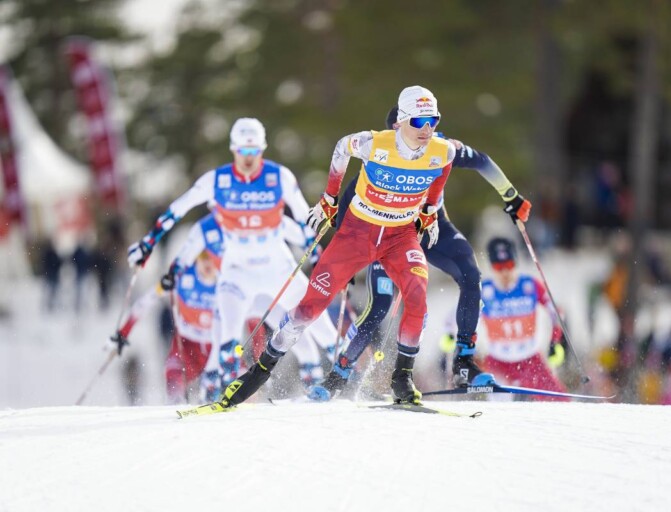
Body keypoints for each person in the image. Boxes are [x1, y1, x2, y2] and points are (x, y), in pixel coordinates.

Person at [213, 85, 456, 409]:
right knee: (309, 308)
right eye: (418, 121)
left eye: (433, 120)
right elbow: (342, 147)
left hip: (400, 236)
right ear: (400, 121)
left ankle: (402, 379)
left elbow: (442, 171)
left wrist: (430, 208)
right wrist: (329, 198)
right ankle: (258, 372)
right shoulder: (376, 144)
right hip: (357, 234)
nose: (426, 129)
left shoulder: (442, 151)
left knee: (417, 293)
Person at [307, 105, 532, 400]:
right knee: (379, 307)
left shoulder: (440, 147)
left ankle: (464, 361)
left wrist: (511, 196)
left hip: (433, 232)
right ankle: (340, 374)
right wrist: (340, 263)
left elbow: (482, 161)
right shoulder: (377, 157)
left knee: (469, 273)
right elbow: (342, 214)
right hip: (389, 238)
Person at [126, 118, 338, 399]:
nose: (248, 158)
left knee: (319, 326)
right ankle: (219, 392)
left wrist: (321, 256)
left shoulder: (279, 177)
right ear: (233, 149)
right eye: (242, 151)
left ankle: (348, 378)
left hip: (279, 269)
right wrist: (147, 243)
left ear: (261, 149)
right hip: (237, 272)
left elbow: (304, 219)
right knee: (226, 335)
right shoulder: (217, 180)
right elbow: (178, 208)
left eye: (253, 152)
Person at [477, 237, 568, 401]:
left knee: (560, 402)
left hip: (530, 360)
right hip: (498, 362)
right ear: (492, 267)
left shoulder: (530, 285)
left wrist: (555, 341)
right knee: (502, 412)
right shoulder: (484, 290)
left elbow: (555, 311)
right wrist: (462, 345)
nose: (505, 272)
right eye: (499, 267)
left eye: (509, 265)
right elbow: (462, 318)